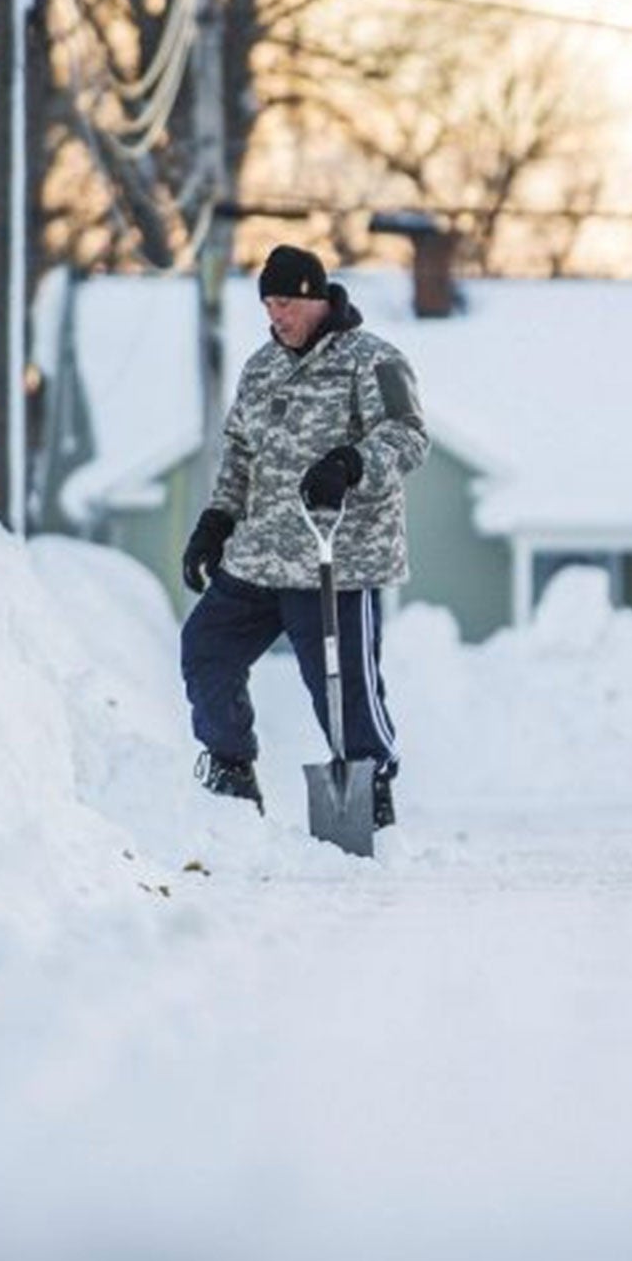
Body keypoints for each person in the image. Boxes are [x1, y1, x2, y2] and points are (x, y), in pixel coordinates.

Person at [179, 244, 430, 827]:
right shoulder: (261, 367)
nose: (276, 315)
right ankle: (231, 769)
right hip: (259, 555)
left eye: (286, 301)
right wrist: (215, 522)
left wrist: (352, 463)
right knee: (205, 651)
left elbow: (410, 435)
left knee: (341, 692)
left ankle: (370, 785)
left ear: (317, 297)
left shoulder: (374, 361)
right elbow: (239, 453)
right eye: (268, 302)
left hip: (335, 559)